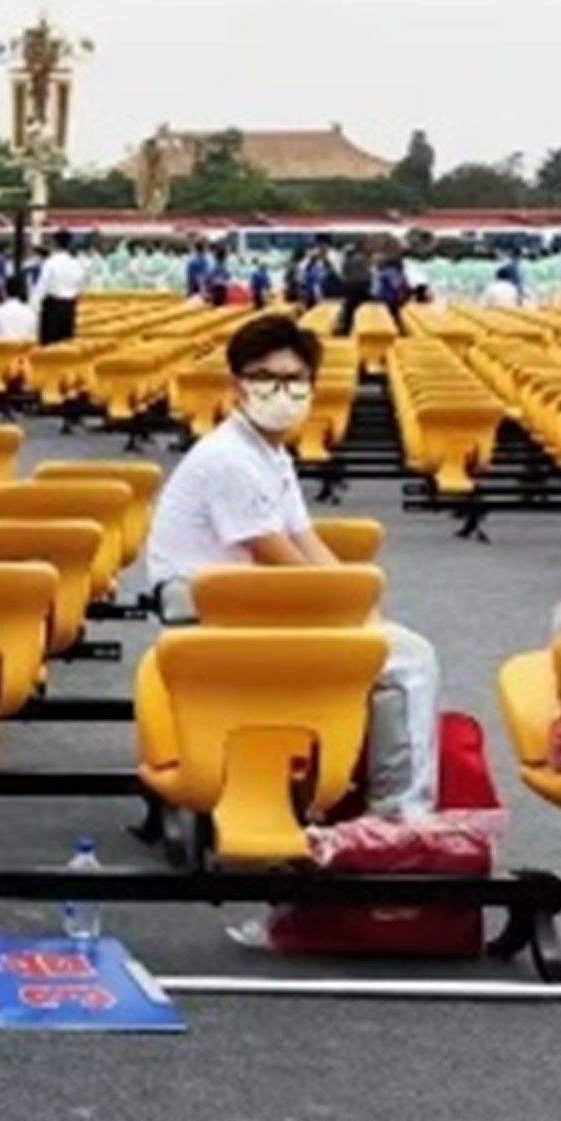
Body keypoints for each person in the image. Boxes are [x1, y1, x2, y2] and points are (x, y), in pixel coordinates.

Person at [143, 315, 441, 817]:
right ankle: (400, 813)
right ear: (236, 385)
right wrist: (351, 617)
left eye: (294, 379)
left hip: (257, 604)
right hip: (215, 615)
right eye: (264, 378)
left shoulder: (268, 453)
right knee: (409, 661)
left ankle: (373, 796)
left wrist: (362, 610)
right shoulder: (230, 458)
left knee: (389, 643)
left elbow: (305, 542)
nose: (280, 391)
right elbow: (278, 556)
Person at [32, 233, 84, 345]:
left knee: (50, 347)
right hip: (69, 308)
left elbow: (42, 285)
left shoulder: (50, 262)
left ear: (55, 244)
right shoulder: (76, 263)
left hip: (53, 307)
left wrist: (34, 306)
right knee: (66, 345)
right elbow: (80, 285)